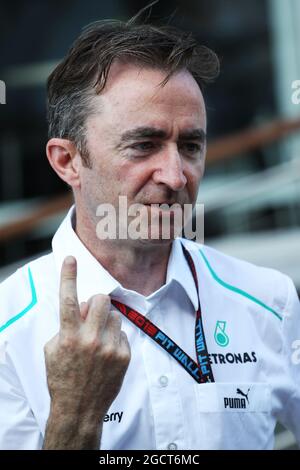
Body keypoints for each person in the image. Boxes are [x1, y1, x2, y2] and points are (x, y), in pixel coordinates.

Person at [0, 11, 300, 451]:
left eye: (191, 145)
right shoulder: (8, 329)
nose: (177, 176)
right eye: (143, 145)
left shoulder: (270, 301)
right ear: (67, 162)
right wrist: (75, 417)